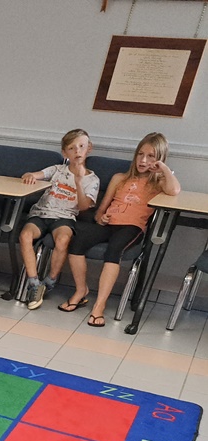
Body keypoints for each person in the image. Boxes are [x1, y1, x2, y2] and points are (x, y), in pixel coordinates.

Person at [62, 132, 180, 328]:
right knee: (76, 242)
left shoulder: (158, 183)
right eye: (140, 154)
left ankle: (99, 305)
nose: (143, 160)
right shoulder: (120, 178)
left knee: (114, 251)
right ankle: (81, 290)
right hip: (109, 225)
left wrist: (164, 169)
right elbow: (100, 211)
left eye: (151, 156)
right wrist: (101, 217)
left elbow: (174, 190)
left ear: (159, 159)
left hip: (132, 228)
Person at [18, 129, 99, 310]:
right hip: (41, 213)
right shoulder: (57, 170)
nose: (77, 151)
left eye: (81, 147)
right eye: (72, 148)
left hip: (65, 217)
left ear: (89, 149)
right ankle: (34, 283)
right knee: (25, 236)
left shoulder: (92, 180)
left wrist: (78, 181)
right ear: (65, 153)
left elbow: (85, 206)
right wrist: (30, 176)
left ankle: (50, 280)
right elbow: (33, 174)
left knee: (63, 239)